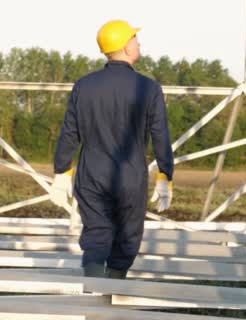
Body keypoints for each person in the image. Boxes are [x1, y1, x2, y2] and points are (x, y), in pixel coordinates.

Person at [50, 20, 174, 279]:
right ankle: (111, 295)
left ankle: (94, 298)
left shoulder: (84, 85)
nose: (139, 43)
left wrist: (61, 172)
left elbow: (70, 133)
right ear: (127, 48)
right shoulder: (149, 88)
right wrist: (165, 175)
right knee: (127, 239)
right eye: (135, 39)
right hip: (130, 176)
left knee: (96, 235)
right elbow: (160, 135)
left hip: (91, 174)